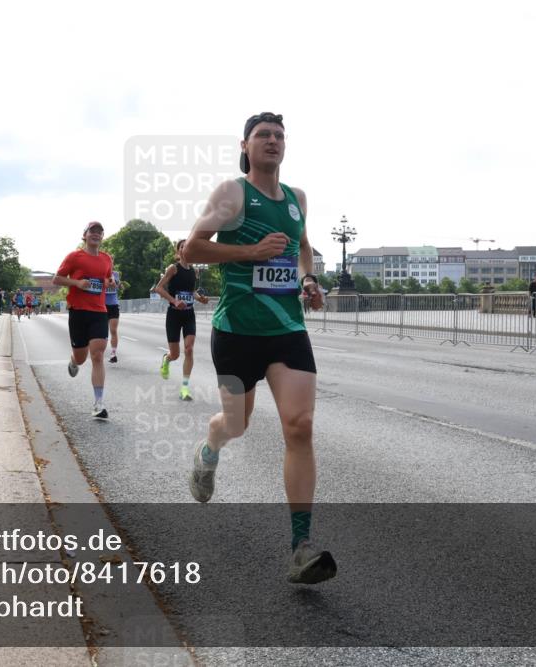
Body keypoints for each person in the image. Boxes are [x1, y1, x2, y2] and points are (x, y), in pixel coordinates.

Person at [183, 112, 335, 585]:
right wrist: (250, 252)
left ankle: (301, 545)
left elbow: (303, 245)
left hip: (287, 327)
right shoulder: (232, 193)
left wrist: (308, 277)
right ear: (245, 146)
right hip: (236, 330)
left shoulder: (296, 199)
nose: (272, 141)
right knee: (236, 423)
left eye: (279, 136)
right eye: (262, 135)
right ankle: (208, 453)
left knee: (300, 425)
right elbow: (191, 249)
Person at [53, 221, 114, 419]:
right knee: (81, 357)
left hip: (99, 311)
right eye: (92, 231)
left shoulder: (107, 259)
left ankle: (98, 403)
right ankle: (73, 361)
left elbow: (106, 278)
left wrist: (109, 281)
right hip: (78, 312)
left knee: (97, 355)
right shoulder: (74, 256)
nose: (96, 234)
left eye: (99, 232)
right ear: (85, 235)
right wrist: (77, 283)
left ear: (102, 237)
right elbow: (57, 279)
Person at [153, 240, 209, 400]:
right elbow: (158, 288)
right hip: (174, 315)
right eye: (182, 246)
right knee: (176, 354)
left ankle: (184, 388)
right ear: (178, 251)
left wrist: (200, 299)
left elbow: (191, 292)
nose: (186, 248)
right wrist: (174, 301)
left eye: (188, 246)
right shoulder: (173, 268)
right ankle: (167, 358)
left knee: (189, 349)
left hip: (189, 314)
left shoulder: (194, 271)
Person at [105, 270, 122, 363]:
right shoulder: (100, 272)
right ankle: (99, 351)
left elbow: (117, 286)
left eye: (112, 261)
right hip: (102, 305)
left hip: (114, 305)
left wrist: (119, 286)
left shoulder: (116, 274)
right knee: (102, 332)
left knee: (113, 330)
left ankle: (113, 354)